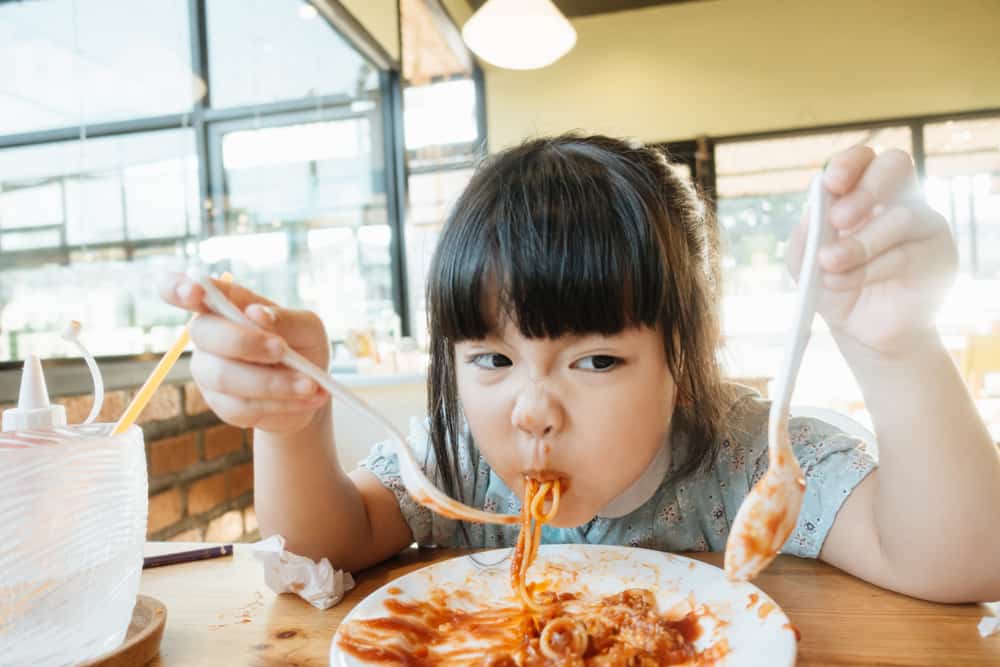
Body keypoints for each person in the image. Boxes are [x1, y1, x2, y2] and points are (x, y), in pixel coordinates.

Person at [162, 135, 1000, 603]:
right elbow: (318, 545)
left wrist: (897, 347)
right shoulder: (460, 466)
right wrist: (292, 421)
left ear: (685, 362)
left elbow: (963, 559)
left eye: (595, 358)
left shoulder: (748, 461)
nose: (531, 410)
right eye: (491, 357)